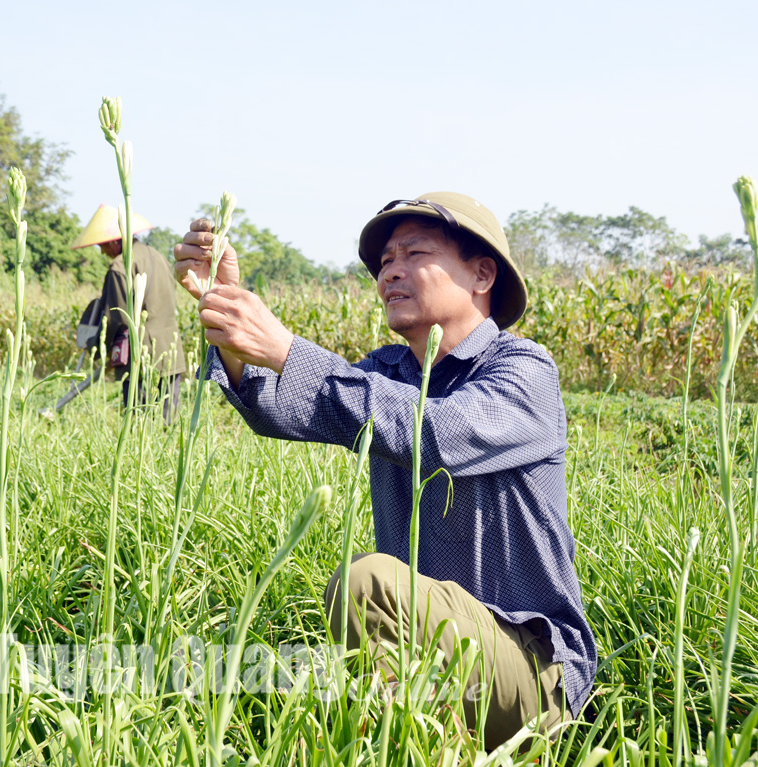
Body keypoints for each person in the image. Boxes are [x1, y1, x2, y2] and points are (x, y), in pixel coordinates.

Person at [173, 193, 597, 748]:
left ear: (481, 274)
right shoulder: (388, 370)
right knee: (244, 675)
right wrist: (225, 310)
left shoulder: (522, 370)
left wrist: (286, 348)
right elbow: (281, 406)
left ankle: (426, 744)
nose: (390, 272)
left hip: (531, 671)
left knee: (368, 584)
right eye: (384, 262)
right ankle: (418, 742)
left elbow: (437, 434)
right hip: (428, 657)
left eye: (413, 253)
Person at [73, 204, 187, 421]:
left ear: (115, 241)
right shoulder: (156, 255)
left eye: (102, 245)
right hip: (170, 347)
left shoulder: (119, 266)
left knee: (140, 421)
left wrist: (98, 349)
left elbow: (115, 316)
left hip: (141, 352)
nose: (101, 251)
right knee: (167, 420)